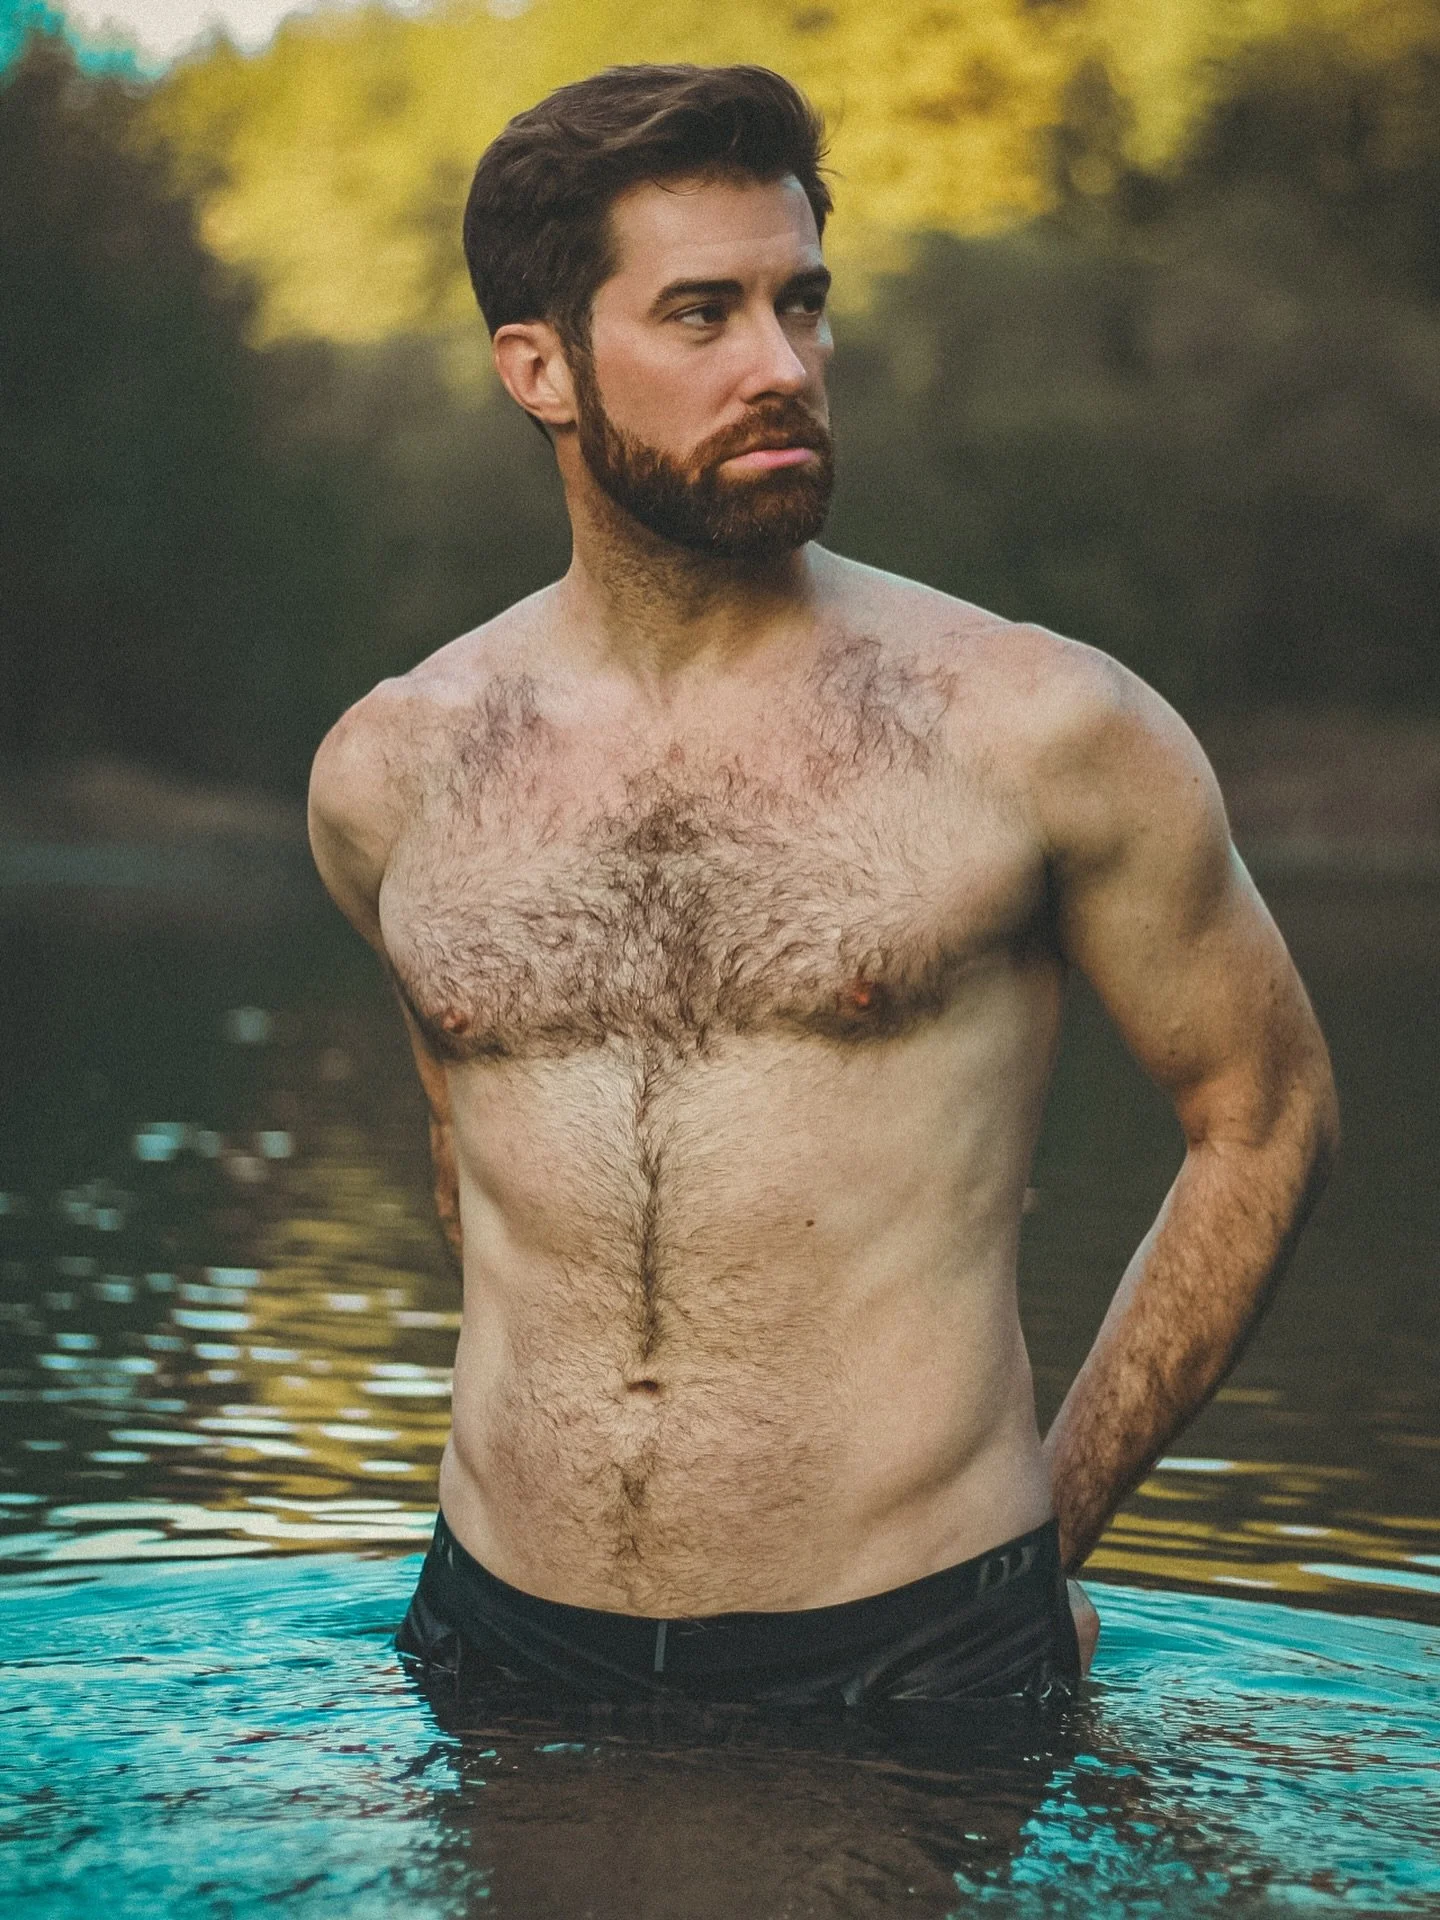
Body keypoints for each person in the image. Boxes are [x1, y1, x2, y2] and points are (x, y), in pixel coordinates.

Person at [308, 64, 1338, 1708]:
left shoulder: (1036, 724)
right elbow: (482, 1168)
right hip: (495, 1642)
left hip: (909, 1653)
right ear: (539, 368)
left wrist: (1036, 1551)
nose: (784, 367)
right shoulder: (391, 774)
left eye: (805, 304)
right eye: (704, 316)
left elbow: (1266, 1116)